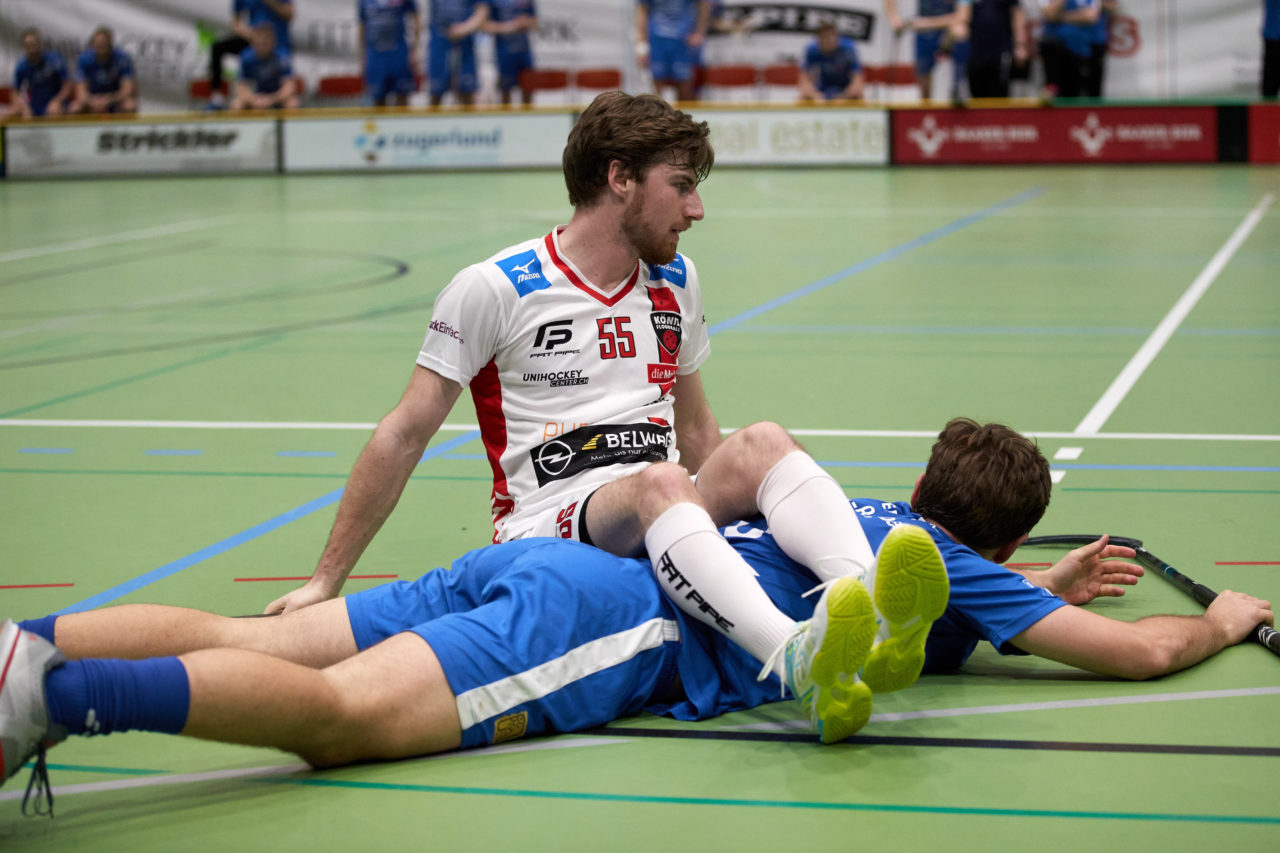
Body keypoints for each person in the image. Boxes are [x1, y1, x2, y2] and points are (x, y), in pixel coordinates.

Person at [4, 418, 1271, 809]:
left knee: (252, 638)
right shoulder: (950, 565)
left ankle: (31, 648)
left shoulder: (860, 513)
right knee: (340, 721)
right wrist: (1217, 618)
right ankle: (63, 698)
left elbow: (944, 596)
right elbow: (1136, 651)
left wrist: (1036, 587)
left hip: (545, 561)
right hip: (616, 626)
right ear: (991, 544)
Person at [262, 91, 921, 742]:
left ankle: (876, 617)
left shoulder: (676, 280)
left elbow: (696, 428)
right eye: (681, 186)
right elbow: (404, 433)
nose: (696, 209)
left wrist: (727, 524)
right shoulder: (497, 287)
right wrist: (325, 580)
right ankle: (795, 656)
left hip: (661, 505)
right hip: (549, 520)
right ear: (620, 179)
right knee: (662, 482)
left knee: (765, 441)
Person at [884, 0, 972, 101]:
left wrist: (924, 23)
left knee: (960, 30)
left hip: (946, 34)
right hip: (925, 35)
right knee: (924, 87)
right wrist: (893, 17)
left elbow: (963, 16)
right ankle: (925, 105)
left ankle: (958, 85)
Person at [636, 0, 712, 102]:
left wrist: (699, 33)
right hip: (657, 41)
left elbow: (704, 5)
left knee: (685, 88)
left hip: (683, 41)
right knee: (656, 90)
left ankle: (684, 112)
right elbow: (642, 11)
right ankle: (657, 112)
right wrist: (641, 47)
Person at [958, 0, 1028, 98]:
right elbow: (963, 17)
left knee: (999, 95)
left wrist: (1020, 45)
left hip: (1001, 52)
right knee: (976, 97)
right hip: (975, 52)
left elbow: (1017, 16)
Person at [425, 0, 490, 106]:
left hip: (464, 46)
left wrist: (464, 28)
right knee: (435, 93)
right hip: (439, 45)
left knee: (467, 93)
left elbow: (482, 11)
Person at [359, 0, 422, 107]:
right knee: (377, 99)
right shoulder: (364, 2)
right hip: (375, 57)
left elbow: (416, 15)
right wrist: (362, 57)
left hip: (399, 54)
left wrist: (415, 50)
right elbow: (362, 26)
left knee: (402, 96)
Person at [229, 23, 300, 110]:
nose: (261, 43)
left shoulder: (282, 56)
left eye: (265, 42)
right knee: (236, 105)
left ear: (273, 41)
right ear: (252, 42)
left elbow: (289, 87)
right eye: (259, 41)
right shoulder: (246, 57)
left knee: (292, 103)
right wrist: (253, 100)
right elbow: (241, 88)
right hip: (256, 96)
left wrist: (271, 99)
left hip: (277, 97)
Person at [1037, 0, 1099, 99]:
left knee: (1074, 92)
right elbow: (1049, 14)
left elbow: (1090, 17)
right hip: (1054, 49)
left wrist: (1062, 16)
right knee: (1053, 91)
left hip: (1079, 48)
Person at [70, 27, 137, 115]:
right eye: (98, 44)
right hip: (92, 99)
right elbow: (81, 92)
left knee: (129, 105)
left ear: (110, 43)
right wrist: (93, 101)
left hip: (115, 99)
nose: (101, 46)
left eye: (104, 43)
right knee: (75, 108)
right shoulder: (83, 60)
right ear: (93, 44)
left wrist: (109, 99)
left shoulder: (123, 58)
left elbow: (127, 90)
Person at [8, 28, 73, 119]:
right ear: (24, 47)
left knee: (54, 111)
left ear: (40, 44)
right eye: (28, 45)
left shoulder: (54, 59)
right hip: (35, 104)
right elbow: (15, 91)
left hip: (56, 101)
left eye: (34, 44)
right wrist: (22, 106)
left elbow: (67, 85)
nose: (32, 48)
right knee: (13, 112)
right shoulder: (22, 65)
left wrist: (57, 101)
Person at [483, 0, 537, 106]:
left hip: (524, 52)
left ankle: (528, 116)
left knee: (528, 88)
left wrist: (526, 22)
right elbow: (485, 26)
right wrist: (511, 26)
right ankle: (505, 116)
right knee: (505, 91)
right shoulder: (493, 2)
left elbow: (535, 22)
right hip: (504, 53)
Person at [798, 21, 865, 101]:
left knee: (858, 94)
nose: (830, 40)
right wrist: (815, 95)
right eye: (825, 37)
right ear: (818, 39)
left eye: (832, 36)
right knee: (803, 96)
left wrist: (844, 96)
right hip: (823, 88)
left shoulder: (848, 48)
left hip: (845, 87)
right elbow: (804, 81)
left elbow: (857, 79)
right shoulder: (812, 50)